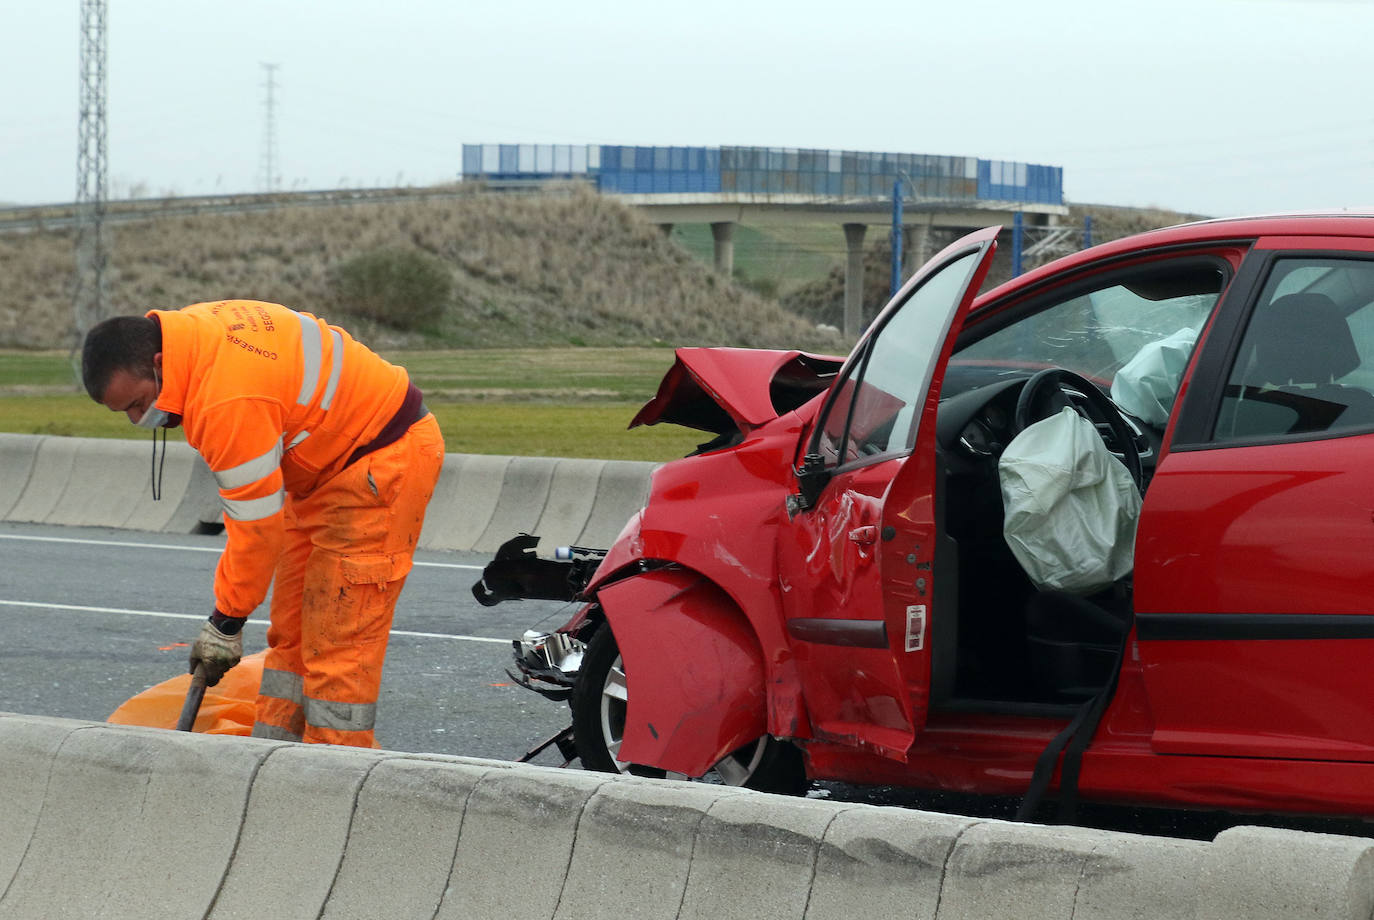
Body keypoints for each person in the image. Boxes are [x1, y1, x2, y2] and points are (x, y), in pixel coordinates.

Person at [81, 301, 445, 747]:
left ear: (158, 365)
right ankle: (272, 759)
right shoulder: (189, 340)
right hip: (322, 470)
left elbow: (255, 529)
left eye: (139, 403)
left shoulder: (226, 398)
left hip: (379, 465)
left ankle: (335, 784)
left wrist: (225, 623)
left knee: (336, 650)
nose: (140, 419)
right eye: (126, 413)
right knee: (290, 634)